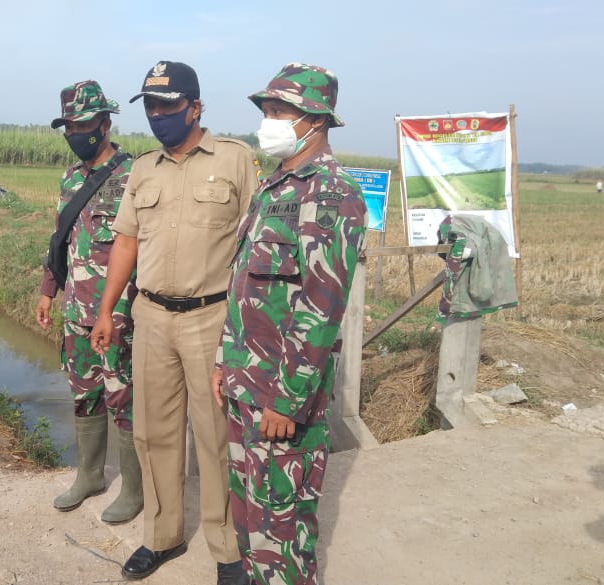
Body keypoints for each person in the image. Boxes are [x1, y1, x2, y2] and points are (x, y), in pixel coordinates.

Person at [91, 61, 259, 585]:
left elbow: (254, 245)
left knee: (215, 437)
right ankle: (162, 537)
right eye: (151, 106)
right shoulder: (144, 169)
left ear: (195, 107)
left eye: (168, 105)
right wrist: (106, 310)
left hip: (211, 317)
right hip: (151, 317)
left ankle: (227, 549)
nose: (158, 115)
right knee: (155, 433)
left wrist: (247, 325)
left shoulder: (235, 159)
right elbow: (126, 241)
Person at [213, 63, 367, 585]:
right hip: (245, 384)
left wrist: (288, 399)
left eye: (279, 111)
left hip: (281, 398)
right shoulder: (275, 186)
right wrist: (223, 363)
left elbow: (321, 307)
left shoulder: (331, 192)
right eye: (267, 110)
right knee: (250, 522)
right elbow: (244, 288)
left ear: (315, 119)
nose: (268, 121)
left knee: (281, 534)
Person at [35, 80, 143, 524]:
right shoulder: (70, 178)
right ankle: (90, 476)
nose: (75, 134)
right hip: (76, 311)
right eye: (69, 127)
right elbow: (59, 239)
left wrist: (114, 312)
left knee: (124, 398)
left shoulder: (134, 176)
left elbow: (138, 247)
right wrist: (48, 289)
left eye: (83, 125)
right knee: (84, 394)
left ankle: (134, 489)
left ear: (105, 123)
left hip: (117, 315)